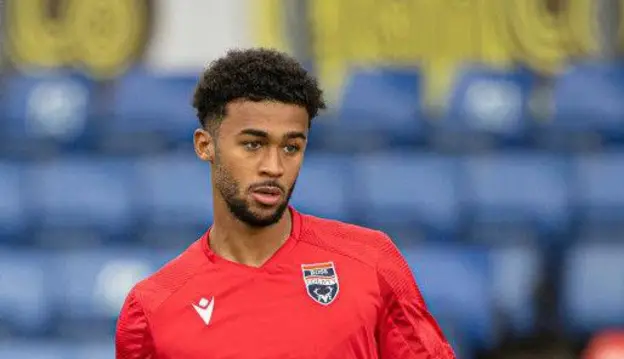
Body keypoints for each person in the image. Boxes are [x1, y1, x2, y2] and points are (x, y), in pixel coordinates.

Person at [115, 48, 455, 359]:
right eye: (252, 145)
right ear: (206, 146)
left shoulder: (371, 261)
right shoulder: (152, 308)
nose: (274, 167)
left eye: (291, 147)